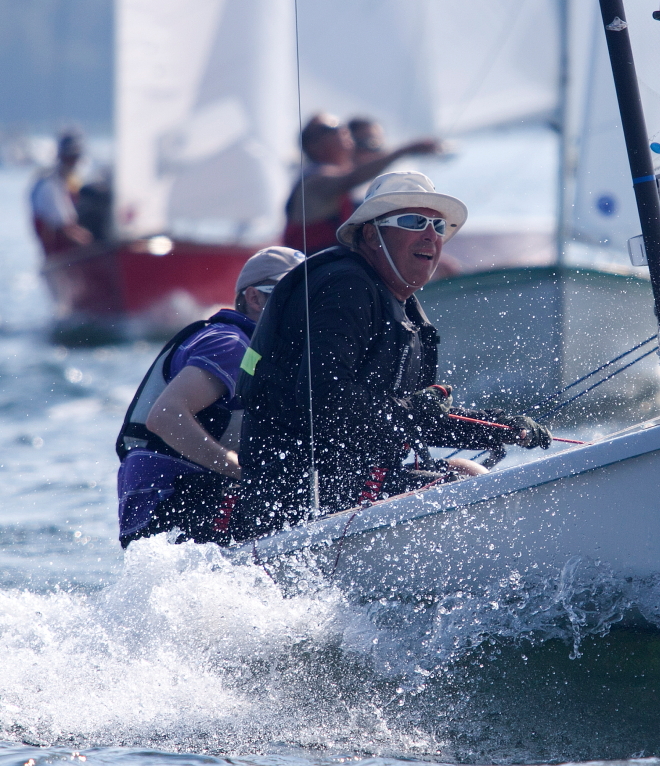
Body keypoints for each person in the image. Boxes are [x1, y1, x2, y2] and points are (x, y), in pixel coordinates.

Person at [235, 173, 551, 540]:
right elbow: (324, 397)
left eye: (437, 225)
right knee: (466, 484)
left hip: (354, 487)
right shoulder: (345, 286)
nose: (432, 235)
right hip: (300, 504)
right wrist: (413, 411)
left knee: (467, 473)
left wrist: (501, 427)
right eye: (414, 222)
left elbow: (412, 417)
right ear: (371, 235)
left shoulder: (408, 312)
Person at [114, 246, 306, 548]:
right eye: (291, 296)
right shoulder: (230, 344)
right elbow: (164, 417)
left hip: (181, 499)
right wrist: (243, 470)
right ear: (255, 298)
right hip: (171, 497)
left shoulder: (257, 352)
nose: (303, 307)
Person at [283, 114, 441, 254]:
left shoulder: (333, 182)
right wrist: (406, 150)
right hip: (315, 277)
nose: (344, 132)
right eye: (334, 128)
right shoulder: (315, 181)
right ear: (313, 144)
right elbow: (353, 177)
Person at [30, 131, 93, 257]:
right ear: (62, 157)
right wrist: (92, 245)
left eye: (76, 158)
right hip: (60, 254)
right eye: (70, 158)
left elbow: (70, 223)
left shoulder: (64, 183)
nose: (74, 163)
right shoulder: (49, 186)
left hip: (69, 247)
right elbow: (63, 228)